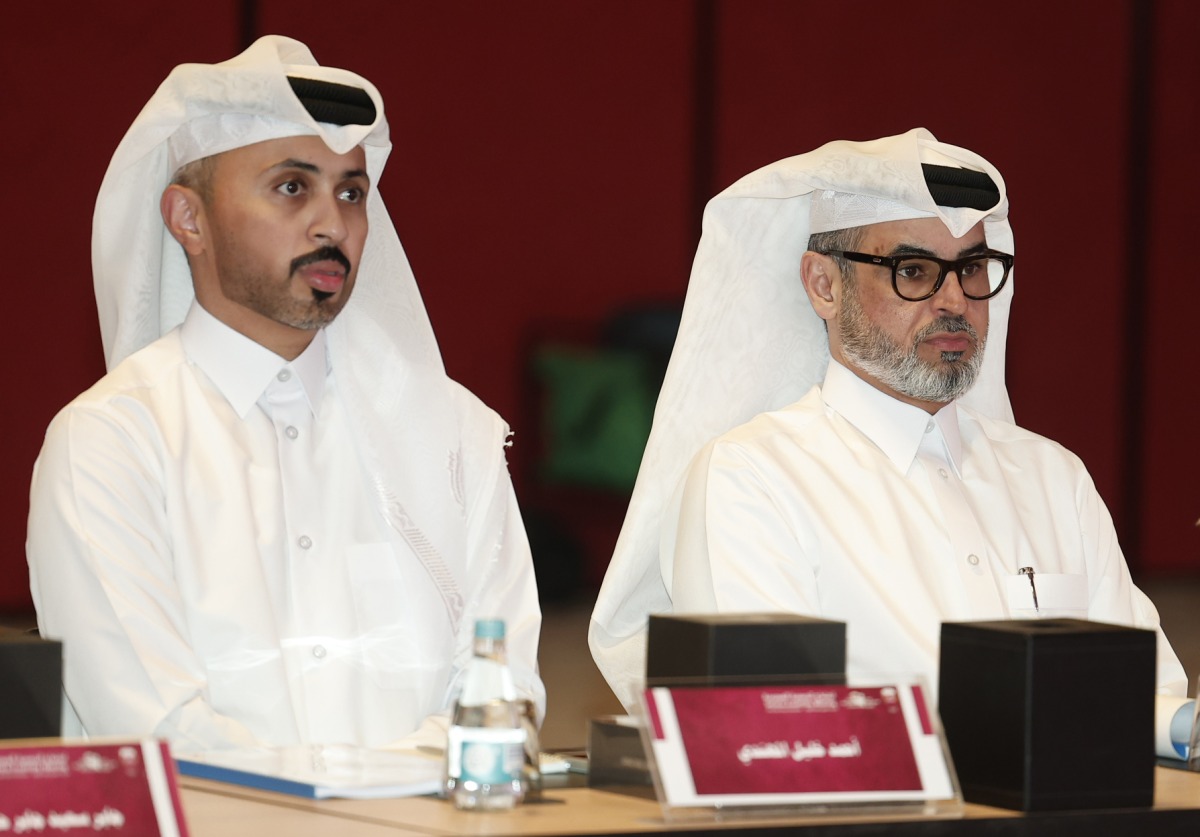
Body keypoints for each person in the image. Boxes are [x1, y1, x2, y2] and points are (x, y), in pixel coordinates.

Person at [26, 35, 543, 751]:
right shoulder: (111, 443)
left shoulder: (454, 434)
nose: (334, 224)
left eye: (351, 192)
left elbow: (502, 702)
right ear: (189, 219)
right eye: (292, 187)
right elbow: (158, 733)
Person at [589, 129, 1188, 741]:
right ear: (824, 285)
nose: (954, 299)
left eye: (973, 268)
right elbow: (780, 733)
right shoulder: (751, 482)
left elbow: (1146, 700)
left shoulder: (1053, 477)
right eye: (914, 270)